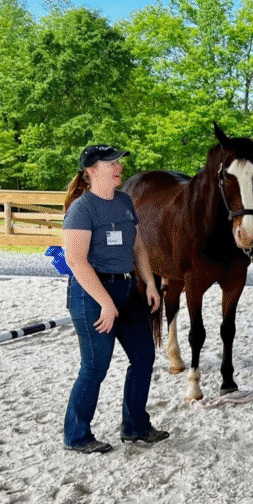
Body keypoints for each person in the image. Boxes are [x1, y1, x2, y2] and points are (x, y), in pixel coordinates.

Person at [62, 144, 168, 454]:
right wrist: (106, 303)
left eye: (119, 161)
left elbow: (138, 248)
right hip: (92, 294)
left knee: (144, 357)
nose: (118, 166)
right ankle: (76, 435)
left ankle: (135, 427)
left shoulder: (123, 202)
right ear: (91, 171)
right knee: (95, 367)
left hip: (127, 290)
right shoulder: (82, 209)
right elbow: (76, 262)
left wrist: (149, 282)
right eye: (111, 163)